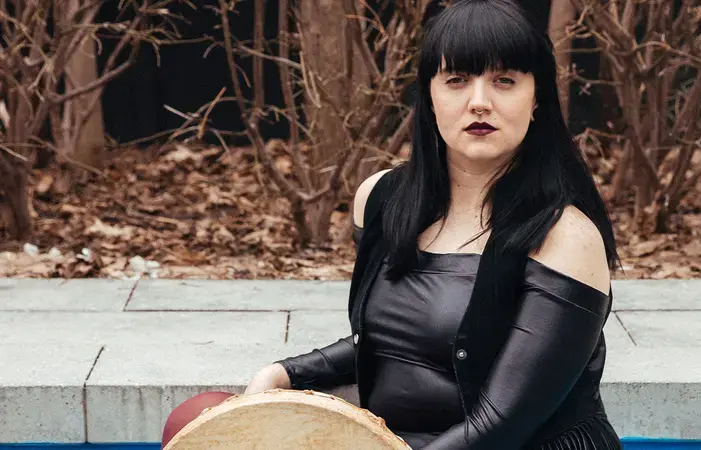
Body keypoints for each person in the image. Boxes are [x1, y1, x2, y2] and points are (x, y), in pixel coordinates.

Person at [170, 0, 622, 448]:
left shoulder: (565, 237)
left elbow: (501, 426)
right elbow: (388, 343)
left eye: (504, 81)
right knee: (194, 419)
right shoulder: (382, 199)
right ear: (429, 95)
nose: (479, 102)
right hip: (399, 440)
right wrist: (285, 373)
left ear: (537, 97)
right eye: (457, 80)